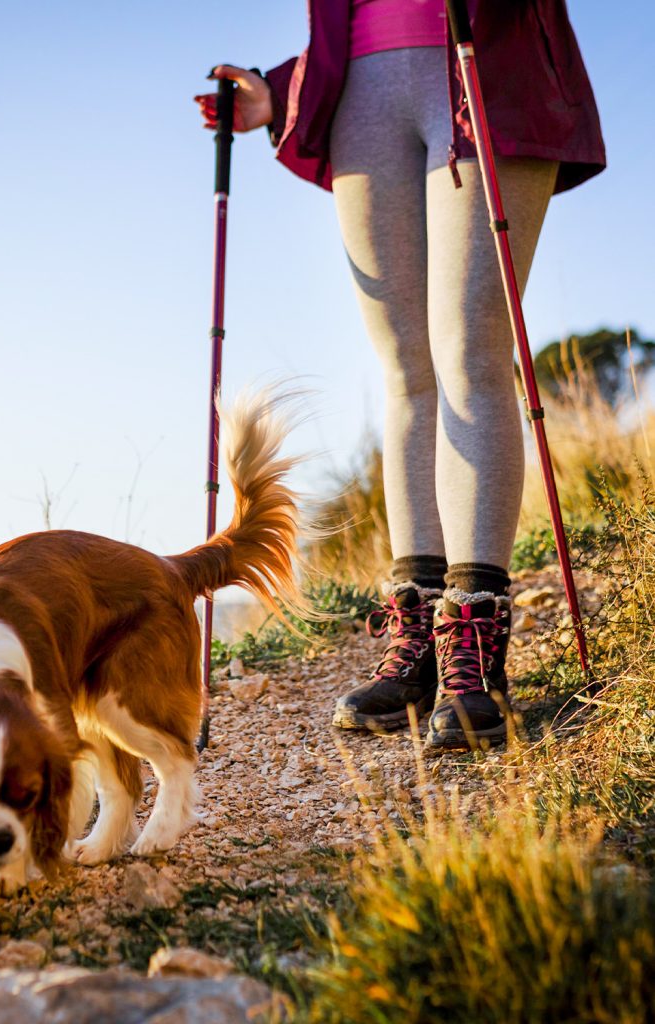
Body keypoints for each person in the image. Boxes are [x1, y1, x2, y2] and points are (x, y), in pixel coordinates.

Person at [194, 0, 604, 751]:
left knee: (469, 351)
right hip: (362, 93)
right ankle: (416, 640)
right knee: (405, 370)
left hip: (483, 59)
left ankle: (474, 650)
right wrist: (279, 89)